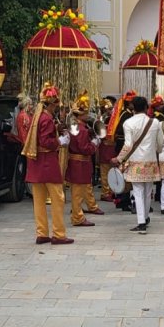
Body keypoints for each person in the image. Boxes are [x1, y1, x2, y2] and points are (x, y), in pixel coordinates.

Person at [22, 83, 74, 246]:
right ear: (50, 104)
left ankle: (42, 232)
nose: (57, 108)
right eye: (55, 105)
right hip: (48, 163)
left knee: (39, 201)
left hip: (36, 164)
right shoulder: (47, 118)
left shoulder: (37, 116)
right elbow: (45, 141)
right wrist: (59, 141)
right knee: (58, 198)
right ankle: (58, 234)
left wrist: (56, 129)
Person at [115, 95, 164, 233]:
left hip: (136, 162)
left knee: (138, 191)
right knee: (148, 192)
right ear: (146, 107)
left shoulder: (128, 123)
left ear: (133, 108)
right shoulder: (155, 123)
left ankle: (141, 221)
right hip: (151, 161)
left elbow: (128, 145)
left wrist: (119, 158)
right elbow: (159, 144)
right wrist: (157, 151)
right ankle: (146, 217)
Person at [66, 94, 101, 228]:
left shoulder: (76, 126)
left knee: (77, 192)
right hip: (80, 163)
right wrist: (94, 143)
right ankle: (77, 217)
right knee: (78, 194)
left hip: (76, 162)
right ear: (81, 115)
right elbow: (85, 148)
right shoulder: (81, 130)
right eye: (86, 113)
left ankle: (77, 215)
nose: (88, 115)